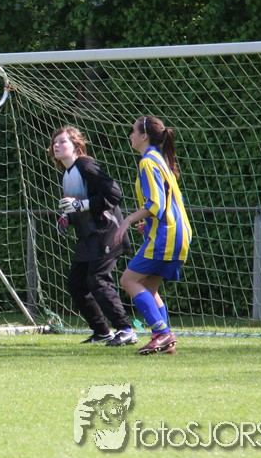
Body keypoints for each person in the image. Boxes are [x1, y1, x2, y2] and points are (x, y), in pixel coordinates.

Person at [110, 116, 192, 355]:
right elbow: (170, 202)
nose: (130, 136)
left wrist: (127, 220)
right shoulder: (160, 159)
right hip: (178, 232)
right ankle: (166, 340)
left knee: (128, 280)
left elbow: (156, 204)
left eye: (133, 131)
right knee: (148, 287)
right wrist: (149, 224)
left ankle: (162, 333)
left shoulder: (148, 162)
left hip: (167, 235)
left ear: (144, 135)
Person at [49, 126, 136, 345]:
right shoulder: (66, 174)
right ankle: (101, 332)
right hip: (88, 237)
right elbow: (77, 204)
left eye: (62, 141)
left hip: (107, 233)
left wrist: (81, 205)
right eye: (54, 142)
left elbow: (114, 193)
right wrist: (66, 217)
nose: (56, 145)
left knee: (97, 280)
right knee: (77, 284)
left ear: (76, 146)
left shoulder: (85, 165)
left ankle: (126, 329)